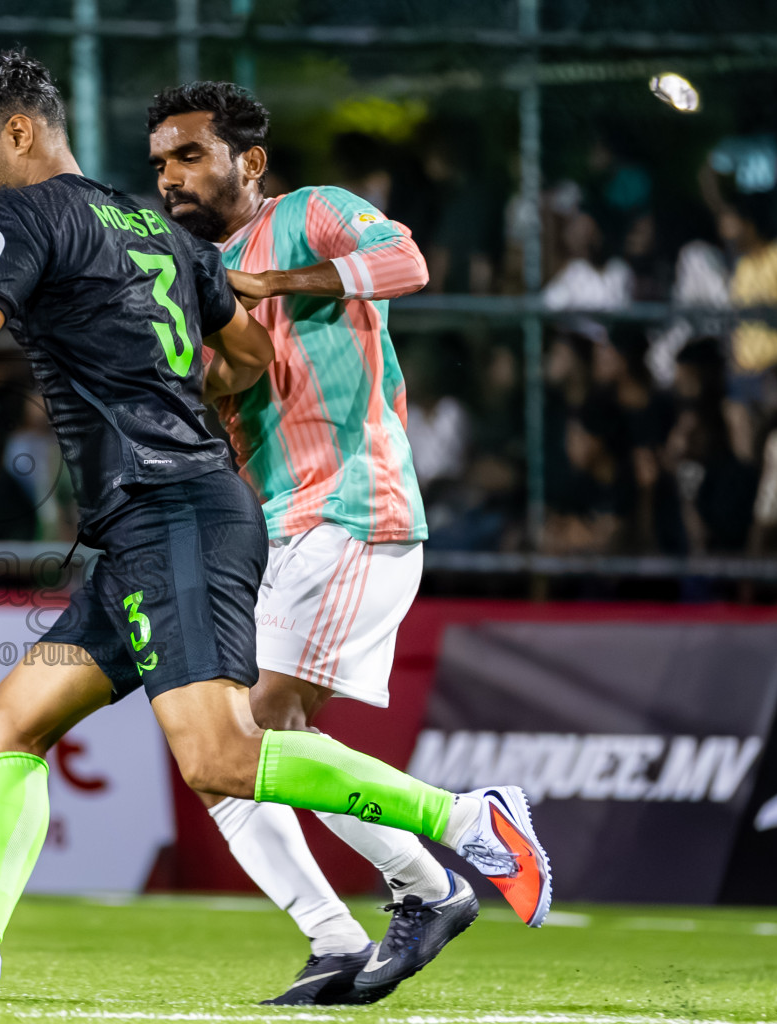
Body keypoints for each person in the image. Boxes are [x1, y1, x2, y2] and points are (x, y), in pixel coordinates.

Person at [0, 52, 550, 1007]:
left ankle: (469, 820)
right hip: (152, 520)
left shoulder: (26, 216)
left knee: (224, 754)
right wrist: (147, 378)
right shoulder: (151, 225)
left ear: (18, 133)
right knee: (11, 723)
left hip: (178, 511)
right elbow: (241, 356)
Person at [146, 81, 527, 1004]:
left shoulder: (313, 213)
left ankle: (429, 885)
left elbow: (406, 263)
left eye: (190, 155)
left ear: (251, 160)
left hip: (357, 504)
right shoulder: (190, 274)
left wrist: (274, 284)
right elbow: (202, 392)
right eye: (159, 162)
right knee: (216, 753)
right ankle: (335, 936)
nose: (170, 177)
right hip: (277, 526)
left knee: (258, 729)